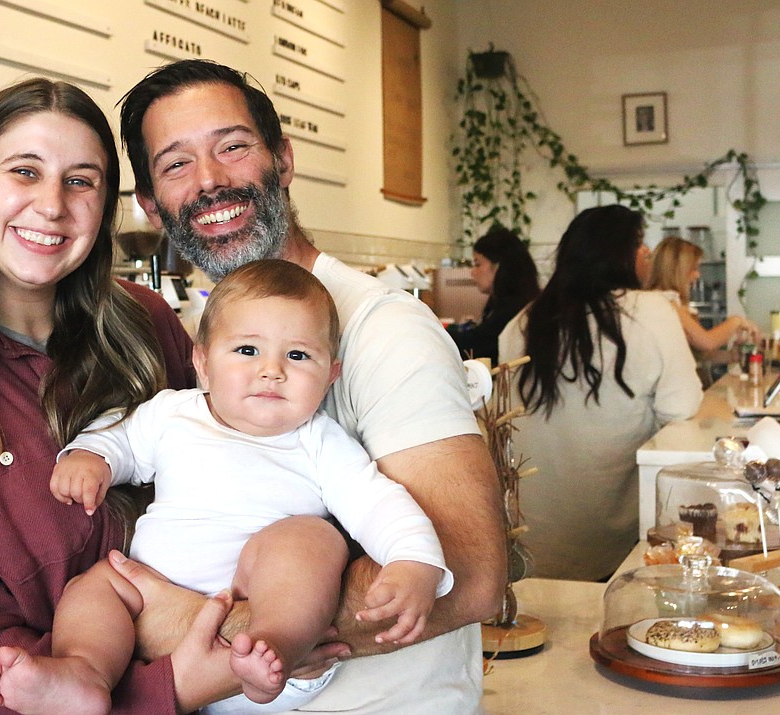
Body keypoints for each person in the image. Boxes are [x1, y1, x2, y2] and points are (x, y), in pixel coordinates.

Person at [0, 77, 283, 714]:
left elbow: (231, 480)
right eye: (25, 171)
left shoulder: (146, 328)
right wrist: (177, 682)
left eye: (81, 180)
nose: (51, 205)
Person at [114, 59, 506, 714]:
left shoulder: (384, 330)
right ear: (153, 207)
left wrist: (198, 624)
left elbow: (471, 576)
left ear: (283, 160)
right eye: (176, 164)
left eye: (232, 147)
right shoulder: (198, 344)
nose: (210, 180)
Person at [0, 259, 452, 715]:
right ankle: (85, 674)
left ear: (330, 375)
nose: (272, 371)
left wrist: (415, 561)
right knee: (95, 586)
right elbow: (120, 436)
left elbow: (378, 502)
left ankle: (273, 642)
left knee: (309, 538)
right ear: (203, 362)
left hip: (269, 639)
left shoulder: (319, 441)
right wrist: (92, 457)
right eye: (248, 350)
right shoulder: (172, 413)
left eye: (297, 355)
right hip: (150, 605)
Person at [498, 205, 703, 581]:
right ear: (618, 254)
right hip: (617, 545)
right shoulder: (652, 310)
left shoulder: (523, 321)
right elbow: (682, 406)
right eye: (639, 243)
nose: (646, 253)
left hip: (530, 539)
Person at [646, 235, 760, 351]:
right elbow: (707, 342)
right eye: (693, 269)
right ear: (678, 270)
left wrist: (733, 355)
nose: (697, 275)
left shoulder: (673, 303)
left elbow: (699, 357)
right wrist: (736, 321)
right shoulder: (664, 302)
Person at [447, 226, 540, 363]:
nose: (472, 272)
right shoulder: (505, 301)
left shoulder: (513, 307)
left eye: (477, 264)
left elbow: (476, 344)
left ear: (499, 266)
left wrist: (435, 331)